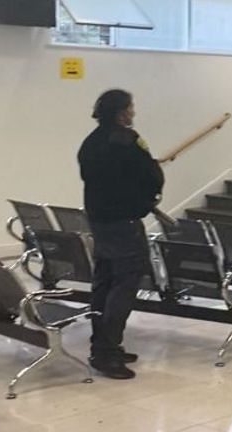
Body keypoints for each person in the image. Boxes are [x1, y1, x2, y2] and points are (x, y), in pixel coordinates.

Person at [78, 89, 164, 379]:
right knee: (123, 287)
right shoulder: (128, 140)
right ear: (121, 112)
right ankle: (107, 352)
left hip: (99, 221)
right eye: (130, 107)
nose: (133, 112)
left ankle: (101, 344)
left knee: (103, 284)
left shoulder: (90, 142)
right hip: (124, 223)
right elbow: (151, 174)